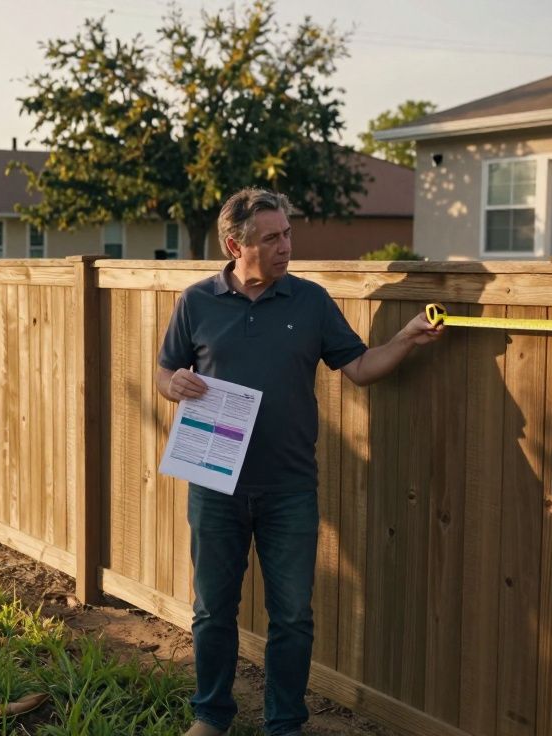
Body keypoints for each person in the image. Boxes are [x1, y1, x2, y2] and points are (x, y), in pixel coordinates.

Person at [156, 188, 443, 736]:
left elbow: (358, 367)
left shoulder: (310, 302)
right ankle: (211, 716)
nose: (287, 245)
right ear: (235, 244)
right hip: (216, 484)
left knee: (292, 616)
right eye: (273, 237)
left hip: (290, 488)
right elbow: (165, 370)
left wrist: (405, 339)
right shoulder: (196, 302)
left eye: (288, 233)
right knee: (213, 610)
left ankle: (284, 724)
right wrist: (175, 384)